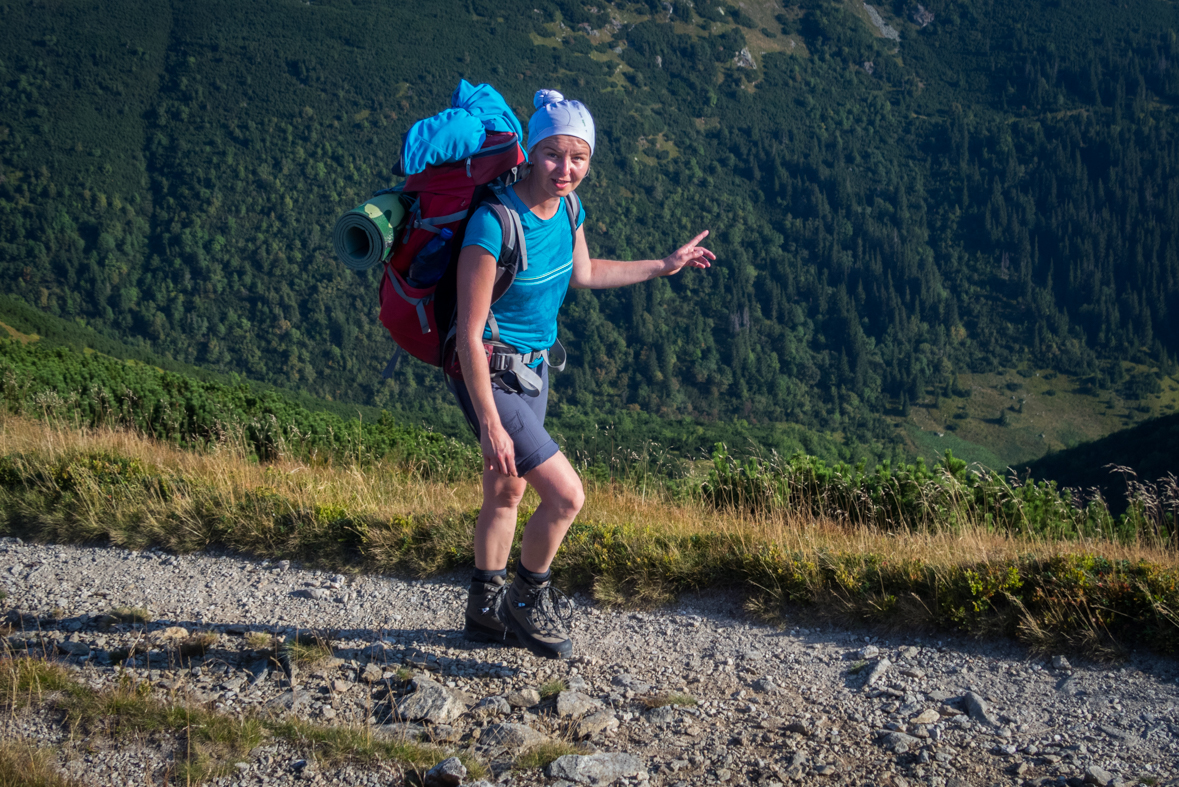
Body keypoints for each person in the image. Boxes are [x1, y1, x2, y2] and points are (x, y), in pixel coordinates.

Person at [451, 89, 715, 659]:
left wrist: (664, 265)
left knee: (507, 489)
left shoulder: (568, 210)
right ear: (531, 151)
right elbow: (468, 335)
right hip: (489, 375)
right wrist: (491, 423)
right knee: (568, 496)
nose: (566, 169)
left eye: (579, 158)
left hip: (534, 372)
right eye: (553, 155)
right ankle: (526, 599)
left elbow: (587, 272)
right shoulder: (492, 225)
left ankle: (483, 610)